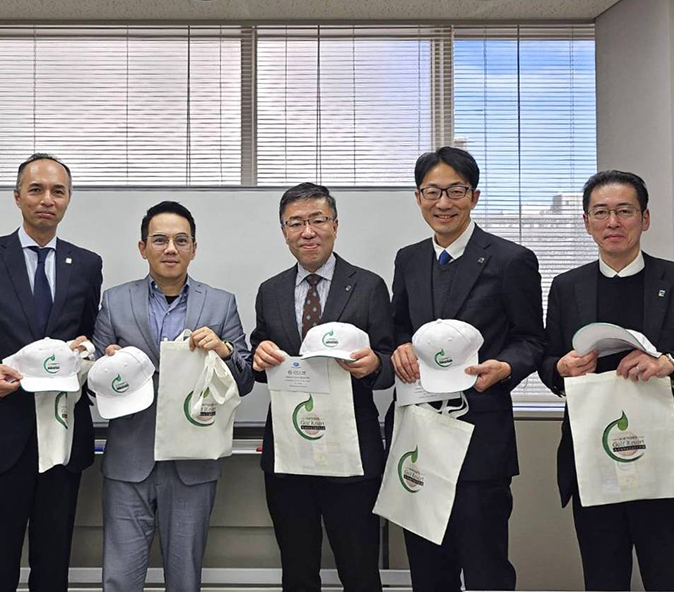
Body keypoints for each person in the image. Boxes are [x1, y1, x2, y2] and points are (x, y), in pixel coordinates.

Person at [539, 169, 674, 591]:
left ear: (645, 218)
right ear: (586, 222)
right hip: (595, 466)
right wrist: (560, 368)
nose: (613, 222)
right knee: (603, 582)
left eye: (625, 211)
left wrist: (672, 363)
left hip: (670, 472)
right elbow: (547, 361)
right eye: (601, 212)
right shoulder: (567, 287)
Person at [0, 153, 102, 592]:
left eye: (57, 191)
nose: (47, 199)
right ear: (17, 197)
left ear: (68, 199)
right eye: (36, 190)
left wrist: (88, 349)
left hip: (62, 434)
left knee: (53, 567)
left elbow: (89, 333)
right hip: (0, 431)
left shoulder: (86, 264)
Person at [389, 146, 546, 592]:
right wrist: (400, 348)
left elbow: (533, 340)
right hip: (419, 437)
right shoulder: (408, 259)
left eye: (455, 191)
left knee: (485, 570)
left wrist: (506, 366)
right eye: (432, 192)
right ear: (418, 198)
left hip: (481, 437)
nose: (443, 203)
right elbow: (399, 327)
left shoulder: (511, 260)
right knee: (428, 572)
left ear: (474, 196)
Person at [92, 200, 253, 591]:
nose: (170, 249)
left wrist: (224, 351)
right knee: (119, 579)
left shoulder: (220, 303)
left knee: (184, 580)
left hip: (193, 464)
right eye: (160, 240)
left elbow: (246, 379)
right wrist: (108, 365)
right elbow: (93, 378)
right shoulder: (114, 300)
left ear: (194, 248)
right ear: (142, 247)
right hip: (129, 459)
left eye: (181, 241)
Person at [251, 182, 395, 592]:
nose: (308, 232)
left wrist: (375, 364)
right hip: (289, 451)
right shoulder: (270, 290)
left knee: (360, 569)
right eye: (296, 223)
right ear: (284, 231)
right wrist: (259, 356)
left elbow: (389, 360)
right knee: (297, 571)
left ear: (335, 224)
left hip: (351, 451)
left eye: (317, 220)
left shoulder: (368, 286)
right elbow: (260, 358)